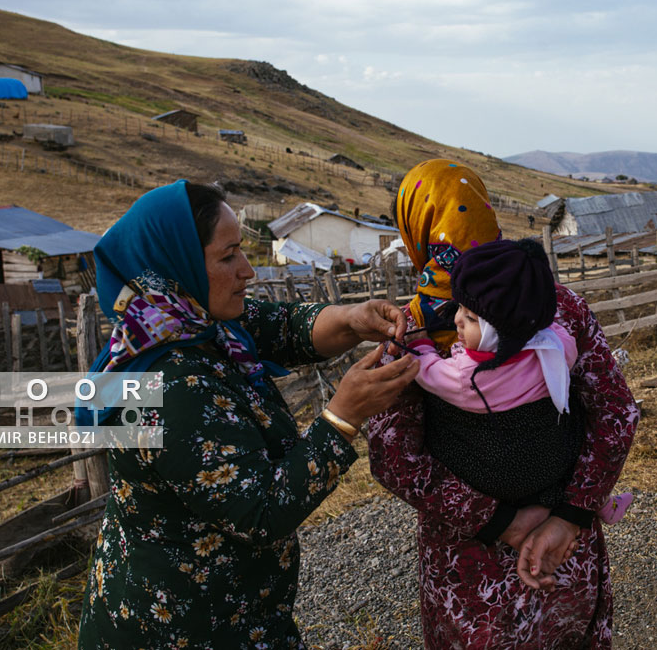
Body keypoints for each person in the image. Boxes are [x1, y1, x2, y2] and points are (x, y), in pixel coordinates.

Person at [76, 180, 419, 649]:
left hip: (235, 614)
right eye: (228, 256)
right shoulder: (168, 385)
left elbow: (283, 327)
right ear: (175, 266)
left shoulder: (195, 321)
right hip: (183, 629)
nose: (248, 271)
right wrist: (343, 415)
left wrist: (353, 318)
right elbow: (259, 512)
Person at [367, 159, 640, 647]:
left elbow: (394, 457)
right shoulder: (554, 303)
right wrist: (571, 516)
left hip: (468, 567)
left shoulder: (410, 331)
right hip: (561, 550)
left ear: (418, 232)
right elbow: (616, 412)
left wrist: (501, 523)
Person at [407, 238, 634, 525]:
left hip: (506, 479)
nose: (457, 321)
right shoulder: (556, 345)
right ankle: (602, 505)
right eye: (459, 309)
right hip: (556, 462)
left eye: (471, 317)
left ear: (499, 328)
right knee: (574, 429)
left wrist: (422, 346)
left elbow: (427, 372)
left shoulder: (468, 376)